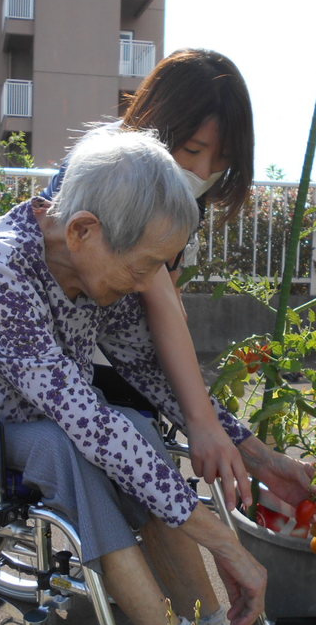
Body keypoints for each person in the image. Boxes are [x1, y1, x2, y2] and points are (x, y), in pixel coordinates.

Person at [0, 129, 316, 625]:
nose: (148, 283)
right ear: (83, 231)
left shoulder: (93, 266)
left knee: (137, 430)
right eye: (144, 266)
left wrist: (260, 455)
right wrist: (223, 541)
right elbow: (81, 420)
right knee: (76, 445)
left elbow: (153, 375)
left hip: (25, 423)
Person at [42, 48, 258, 516]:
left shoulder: (187, 196)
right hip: (61, 356)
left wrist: (207, 416)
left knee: (153, 430)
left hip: (115, 344)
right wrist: (201, 420)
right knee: (140, 447)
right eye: (194, 151)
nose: (202, 173)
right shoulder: (108, 166)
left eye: (220, 161)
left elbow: (166, 293)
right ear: (157, 127)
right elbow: (156, 291)